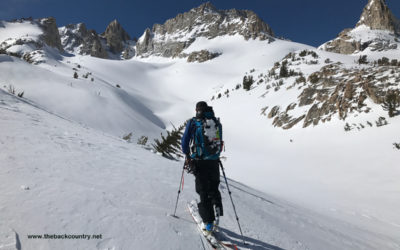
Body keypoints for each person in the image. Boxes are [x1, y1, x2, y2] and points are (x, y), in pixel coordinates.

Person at [181, 101, 223, 234]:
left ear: (197, 110)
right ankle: (217, 208)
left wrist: (187, 155)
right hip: (214, 161)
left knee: (203, 191)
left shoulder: (194, 122)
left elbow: (185, 141)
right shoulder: (215, 122)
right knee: (214, 187)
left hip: (200, 161)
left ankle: (208, 223)